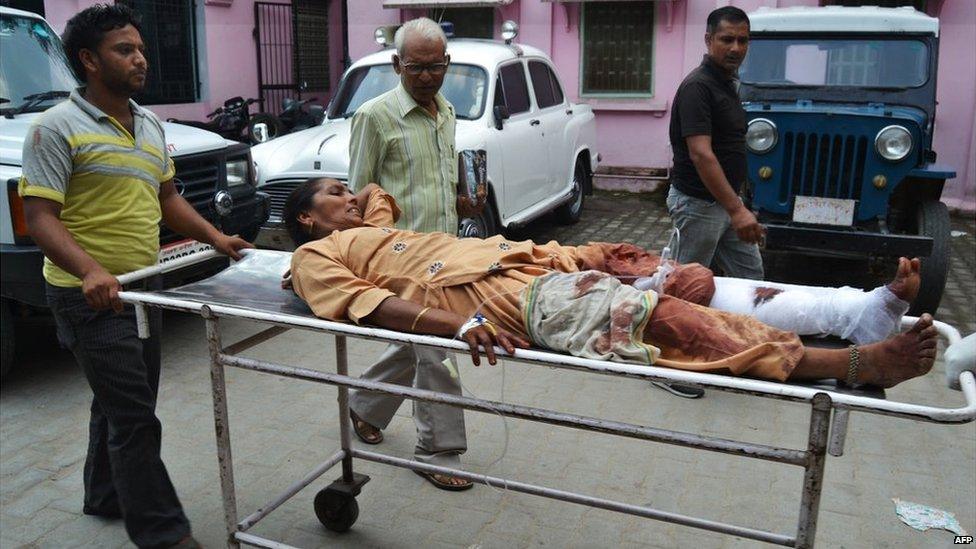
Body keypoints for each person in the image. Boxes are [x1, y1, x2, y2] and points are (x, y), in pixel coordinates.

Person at [282, 178, 937, 393]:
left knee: (693, 276)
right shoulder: (316, 253)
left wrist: (343, 190)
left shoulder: (366, 219)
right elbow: (368, 304)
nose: (348, 193)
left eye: (345, 189)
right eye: (329, 194)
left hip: (534, 257)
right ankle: (855, 356)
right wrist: (457, 325)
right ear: (306, 219)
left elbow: (376, 194)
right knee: (666, 321)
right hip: (501, 301)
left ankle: (856, 311)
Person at [19, 5, 251, 547]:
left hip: (144, 285)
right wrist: (91, 269)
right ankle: (164, 534)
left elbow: (167, 197)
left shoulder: (147, 124)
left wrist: (216, 238)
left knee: (125, 400)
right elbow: (39, 217)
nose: (140, 58)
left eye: (141, 48)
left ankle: (105, 494)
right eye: (125, 50)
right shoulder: (54, 130)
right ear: (89, 60)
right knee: (135, 416)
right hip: (87, 293)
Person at [344, 17, 484, 491]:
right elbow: (358, 197)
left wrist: (463, 202)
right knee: (439, 350)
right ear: (395, 64)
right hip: (400, 259)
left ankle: (363, 403)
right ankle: (437, 451)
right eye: (416, 68)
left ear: (447, 65)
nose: (427, 77)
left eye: (436, 67)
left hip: (444, 253)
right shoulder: (374, 116)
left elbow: (439, 182)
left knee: (414, 342)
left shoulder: (446, 111)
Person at [665, 6, 760, 398]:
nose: (735, 47)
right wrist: (737, 209)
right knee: (684, 288)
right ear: (708, 41)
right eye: (727, 39)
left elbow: (730, 147)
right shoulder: (698, 87)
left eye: (742, 40)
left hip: (727, 204)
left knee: (750, 280)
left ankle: (737, 353)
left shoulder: (726, 84)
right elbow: (702, 154)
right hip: (699, 206)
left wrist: (739, 202)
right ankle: (667, 365)